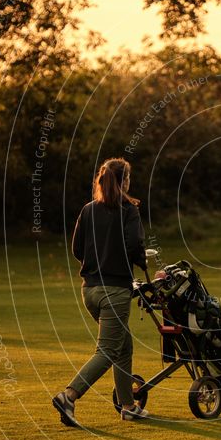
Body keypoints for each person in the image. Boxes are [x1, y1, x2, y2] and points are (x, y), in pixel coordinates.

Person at [53, 157, 149, 426]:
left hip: (90, 291)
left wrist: (97, 262)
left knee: (124, 346)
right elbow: (134, 246)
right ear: (123, 181)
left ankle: (128, 406)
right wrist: (142, 260)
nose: (130, 182)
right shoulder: (129, 210)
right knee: (107, 351)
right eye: (128, 178)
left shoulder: (87, 210)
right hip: (115, 292)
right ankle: (69, 395)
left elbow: (77, 250)